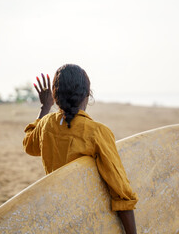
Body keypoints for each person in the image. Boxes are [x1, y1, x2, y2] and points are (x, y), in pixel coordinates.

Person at [23, 64, 138, 234]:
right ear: (87, 95)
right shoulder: (97, 132)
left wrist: (45, 107)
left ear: (55, 96)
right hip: (89, 220)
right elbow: (119, 189)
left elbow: (29, 145)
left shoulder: (46, 125)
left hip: (58, 217)